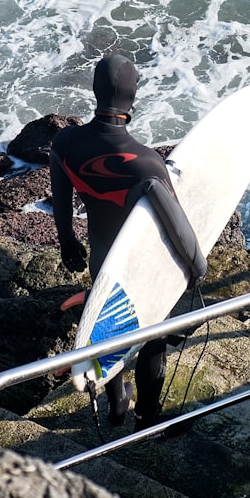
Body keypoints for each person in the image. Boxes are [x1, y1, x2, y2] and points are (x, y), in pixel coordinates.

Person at [50, 53, 198, 432]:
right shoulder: (147, 163)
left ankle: (117, 402)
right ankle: (147, 418)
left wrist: (68, 244)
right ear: (133, 96)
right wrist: (197, 270)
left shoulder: (65, 143)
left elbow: (62, 206)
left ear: (95, 91)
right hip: (141, 270)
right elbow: (181, 232)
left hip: (101, 260)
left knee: (110, 327)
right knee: (151, 340)